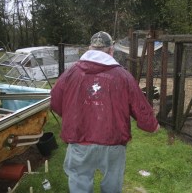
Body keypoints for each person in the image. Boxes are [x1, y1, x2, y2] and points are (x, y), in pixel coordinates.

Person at [50, 31, 159, 193]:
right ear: (111, 50)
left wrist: (73, 117)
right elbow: (139, 105)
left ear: (89, 48)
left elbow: (55, 102)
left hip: (79, 140)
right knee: (112, 184)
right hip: (113, 141)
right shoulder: (123, 76)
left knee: (80, 180)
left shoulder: (71, 73)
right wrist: (152, 125)